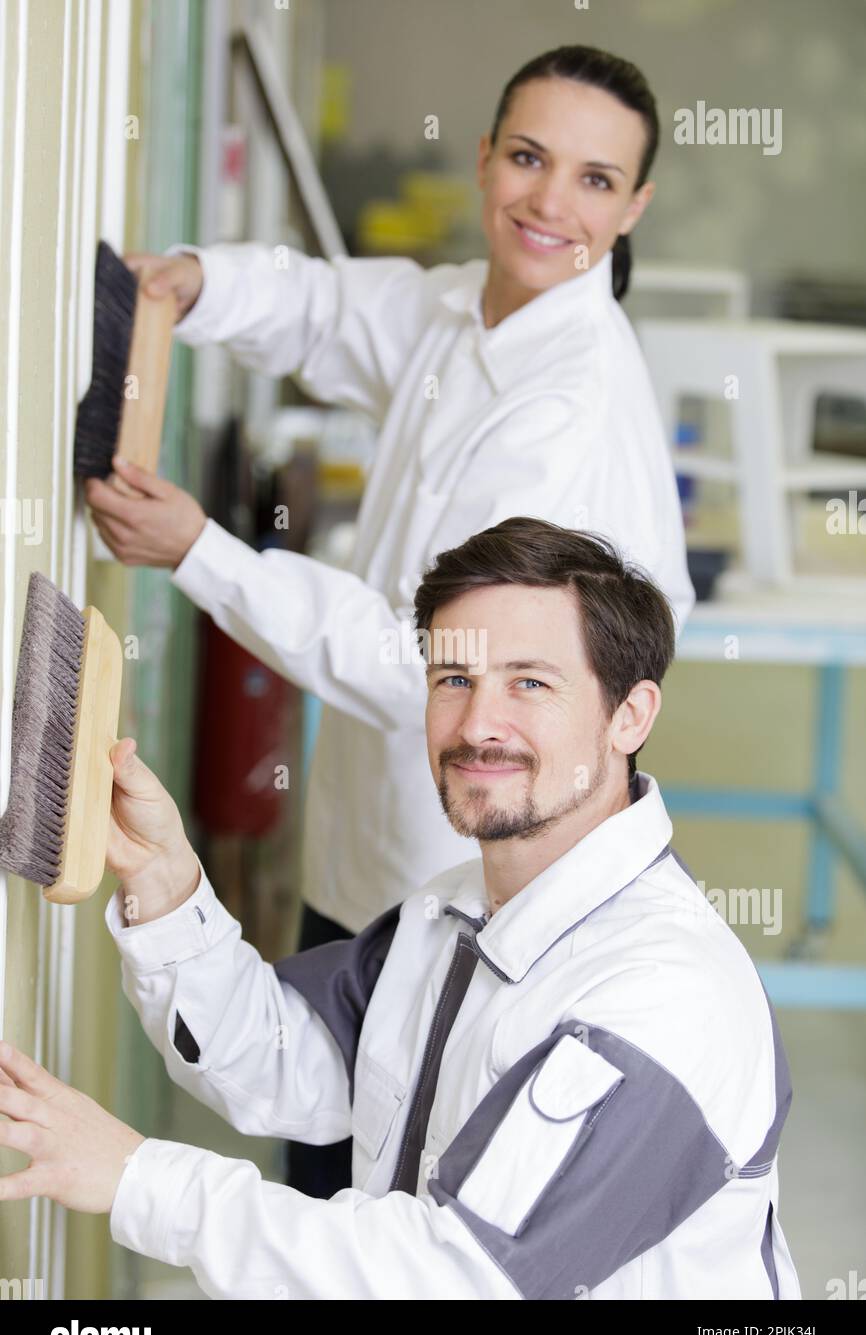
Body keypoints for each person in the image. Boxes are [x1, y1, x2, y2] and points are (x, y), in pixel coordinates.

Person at [85, 44, 694, 1197]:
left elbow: (435, 664)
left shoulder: (567, 411)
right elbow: (327, 311)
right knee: (319, 1130)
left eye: (593, 180)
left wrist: (203, 553)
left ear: (633, 206)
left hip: (458, 869)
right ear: (484, 160)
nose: (549, 203)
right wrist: (193, 282)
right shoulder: (464, 307)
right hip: (365, 856)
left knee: (385, 1197)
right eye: (527, 158)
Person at [0, 520, 798, 1300]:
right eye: (454, 679)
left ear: (632, 714)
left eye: (530, 682)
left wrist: (142, 1181)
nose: (478, 725)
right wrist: (165, 878)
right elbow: (288, 1062)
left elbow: (457, 1278)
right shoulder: (452, 911)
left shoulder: (662, 995)